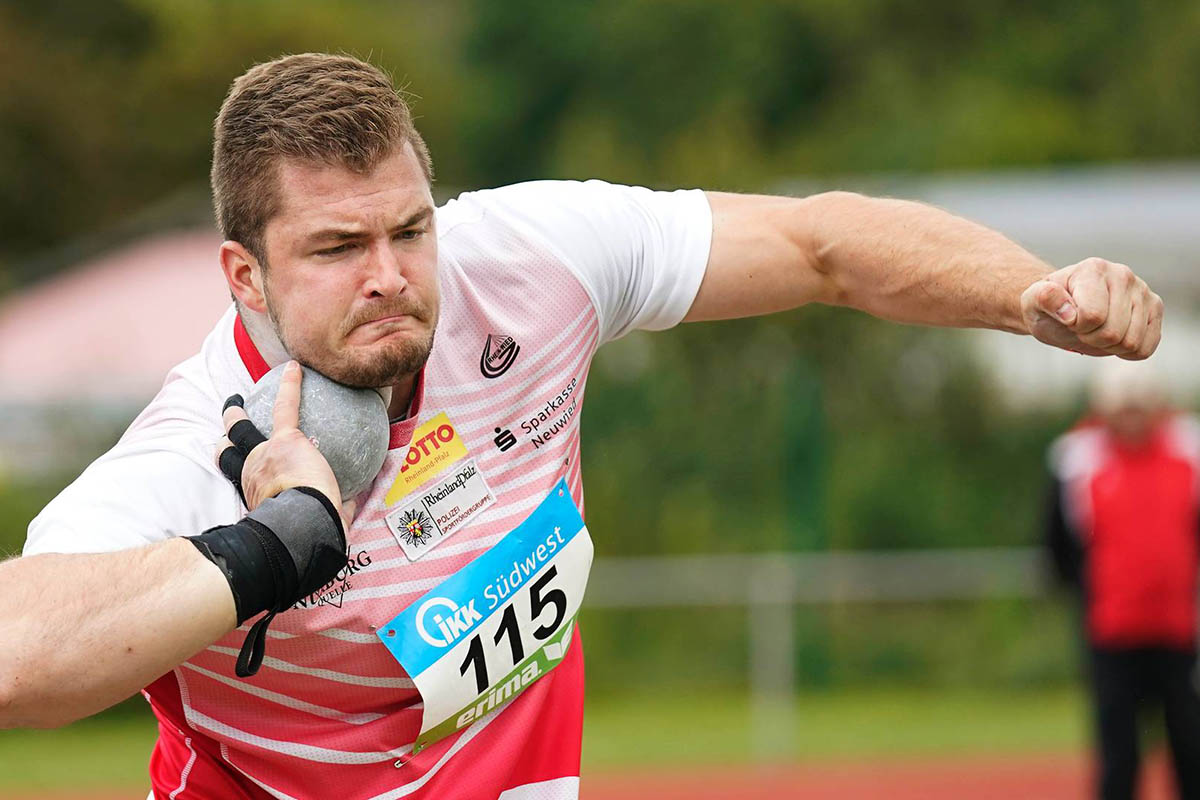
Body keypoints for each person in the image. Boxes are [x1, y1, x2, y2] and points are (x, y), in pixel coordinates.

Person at [0, 52, 1162, 800]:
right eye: (338, 248)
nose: (391, 275)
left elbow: (825, 244)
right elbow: (18, 657)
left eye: (409, 229)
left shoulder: (529, 260)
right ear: (242, 275)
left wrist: (1030, 295)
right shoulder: (206, 438)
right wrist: (283, 538)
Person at [1046, 361, 1200, 800]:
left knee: (1189, 742)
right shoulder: (1077, 461)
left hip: (1180, 630)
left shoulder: (1189, 451)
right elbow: (1059, 546)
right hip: (1111, 630)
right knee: (1119, 751)